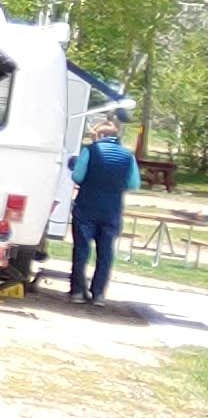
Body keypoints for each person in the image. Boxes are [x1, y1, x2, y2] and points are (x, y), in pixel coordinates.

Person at [70, 116, 138, 305]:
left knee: (82, 250)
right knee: (105, 253)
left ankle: (77, 291)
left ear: (99, 135)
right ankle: (98, 294)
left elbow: (77, 176)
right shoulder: (128, 156)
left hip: (86, 208)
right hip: (112, 210)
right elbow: (134, 183)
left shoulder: (90, 151)